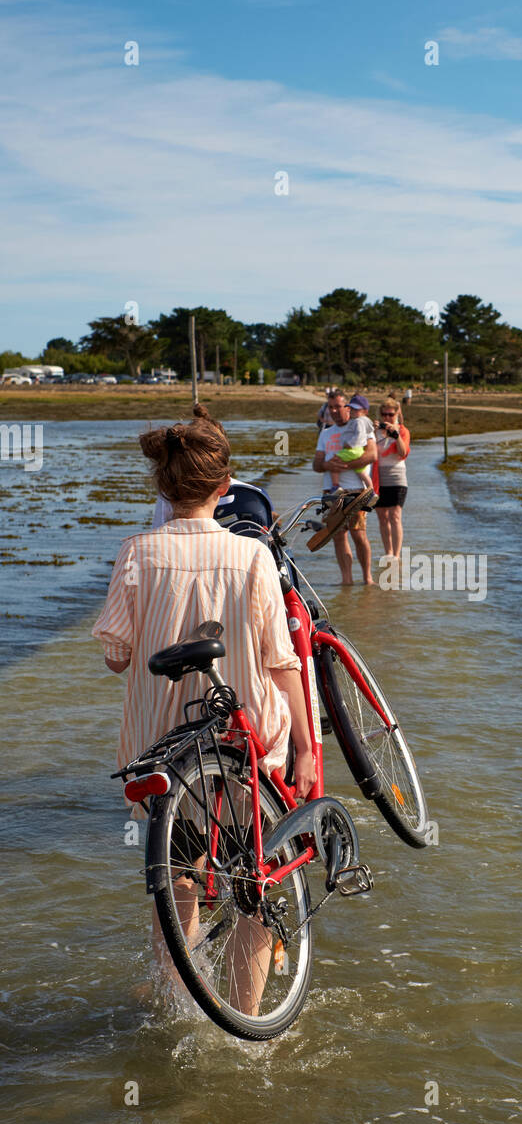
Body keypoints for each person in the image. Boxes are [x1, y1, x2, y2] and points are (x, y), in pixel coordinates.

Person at [92, 412, 315, 1012]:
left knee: (179, 880)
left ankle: (180, 1005)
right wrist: (302, 744)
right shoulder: (251, 557)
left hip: (164, 747)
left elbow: (116, 657)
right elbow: (282, 660)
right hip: (246, 747)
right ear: (226, 488)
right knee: (254, 884)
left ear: (161, 490)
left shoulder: (135, 552)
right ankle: (244, 1020)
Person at [312, 392, 377, 584]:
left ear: (347, 407)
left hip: (357, 489)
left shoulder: (360, 425)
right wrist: (327, 465)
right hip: (332, 491)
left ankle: (367, 579)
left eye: (338, 407)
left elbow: (372, 455)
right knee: (338, 537)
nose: (334, 411)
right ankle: (346, 581)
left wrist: (346, 465)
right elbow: (316, 464)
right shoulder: (325, 433)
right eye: (330, 407)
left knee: (359, 535)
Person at [373, 396, 410, 560]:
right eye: (384, 415)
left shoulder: (402, 431)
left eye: (391, 414)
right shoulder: (375, 431)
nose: (387, 418)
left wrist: (396, 436)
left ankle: (396, 554)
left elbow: (403, 453)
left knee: (395, 516)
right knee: (382, 516)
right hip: (378, 478)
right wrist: (373, 429)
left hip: (397, 477)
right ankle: (388, 552)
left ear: (396, 414)